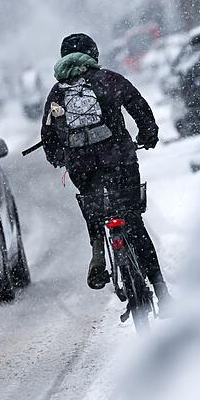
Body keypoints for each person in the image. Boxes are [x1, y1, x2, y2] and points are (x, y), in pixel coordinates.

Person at [40, 33, 170, 309]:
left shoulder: (57, 92)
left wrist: (59, 158)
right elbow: (139, 106)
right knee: (132, 220)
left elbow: (48, 135)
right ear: (94, 55)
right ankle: (161, 290)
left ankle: (98, 247)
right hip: (119, 160)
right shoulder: (108, 79)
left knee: (93, 204)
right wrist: (149, 135)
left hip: (82, 167)